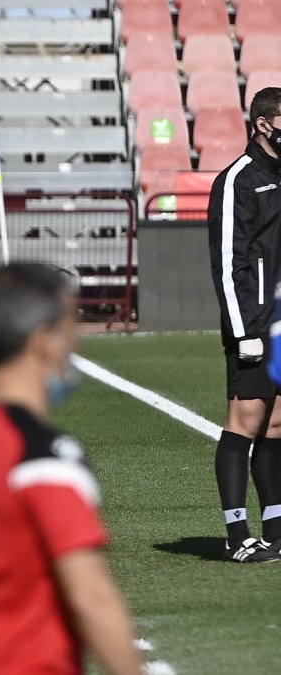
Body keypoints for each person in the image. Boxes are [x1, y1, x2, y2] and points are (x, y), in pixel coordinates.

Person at [0, 264, 143, 675]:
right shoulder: (44, 455)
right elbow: (91, 598)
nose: (76, 344)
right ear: (44, 341)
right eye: (71, 329)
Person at [208, 86, 281, 563]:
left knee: (277, 425)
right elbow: (228, 262)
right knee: (246, 422)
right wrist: (244, 332)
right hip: (255, 324)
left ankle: (276, 528)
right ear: (263, 124)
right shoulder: (238, 178)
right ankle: (238, 536)